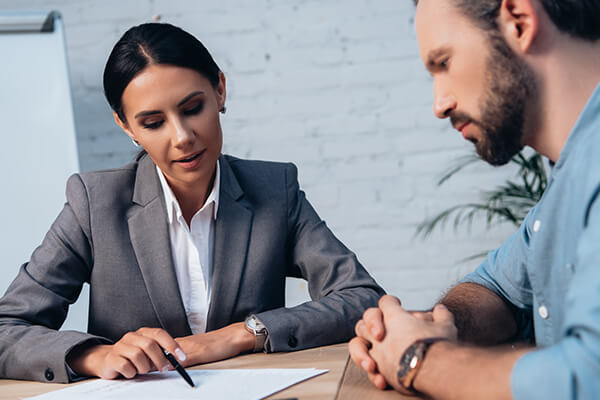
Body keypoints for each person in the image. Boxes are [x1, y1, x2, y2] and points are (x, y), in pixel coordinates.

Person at [0, 22, 385, 383]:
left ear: (219, 89)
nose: (182, 137)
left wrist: (239, 335)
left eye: (191, 109)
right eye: (153, 123)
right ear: (127, 127)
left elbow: (362, 298)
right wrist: (96, 355)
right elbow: (6, 330)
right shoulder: (94, 204)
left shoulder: (274, 190)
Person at [349, 0, 600, 399]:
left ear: (518, 21)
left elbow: (586, 381)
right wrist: (431, 326)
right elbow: (496, 288)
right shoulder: (567, 181)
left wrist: (418, 359)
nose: (439, 104)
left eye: (443, 63)